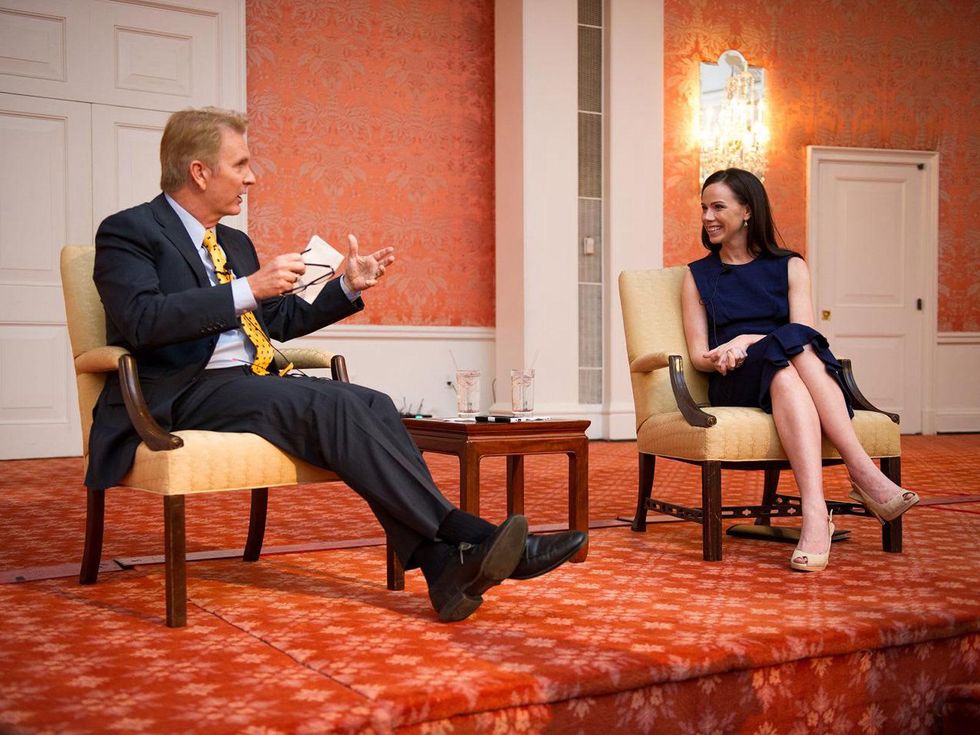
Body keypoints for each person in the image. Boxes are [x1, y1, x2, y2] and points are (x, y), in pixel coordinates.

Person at [88, 106, 586, 620]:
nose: (251, 178)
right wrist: (247, 288)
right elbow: (142, 320)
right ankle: (474, 537)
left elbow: (275, 321)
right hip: (180, 390)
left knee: (372, 402)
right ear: (199, 171)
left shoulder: (233, 241)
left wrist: (347, 285)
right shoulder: (130, 231)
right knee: (333, 408)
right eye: (241, 165)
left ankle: (444, 567)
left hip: (248, 382)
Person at [681, 168, 918, 572]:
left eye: (718, 206)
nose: (707, 216)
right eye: (704, 207)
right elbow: (700, 355)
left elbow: (803, 335)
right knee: (788, 348)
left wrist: (749, 337)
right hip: (733, 379)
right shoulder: (697, 275)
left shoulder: (791, 266)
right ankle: (862, 471)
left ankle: (814, 514)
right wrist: (731, 350)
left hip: (788, 374)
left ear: (748, 211)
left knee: (788, 366)